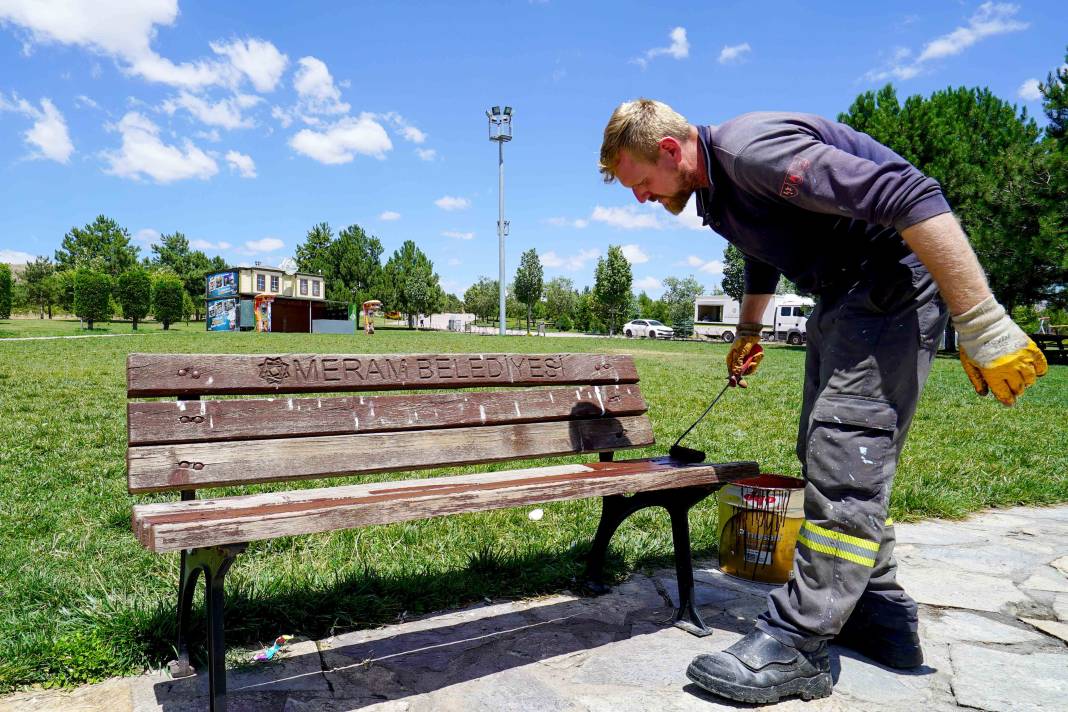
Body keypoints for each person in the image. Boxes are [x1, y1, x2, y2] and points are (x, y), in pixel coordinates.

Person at [598, 99, 1048, 704]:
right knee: (823, 450)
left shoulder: (750, 151)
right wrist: (749, 331)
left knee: (845, 460)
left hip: (888, 285)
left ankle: (797, 643)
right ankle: (876, 610)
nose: (642, 199)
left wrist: (981, 319)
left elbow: (906, 191)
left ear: (672, 151)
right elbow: (763, 250)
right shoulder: (719, 190)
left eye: (642, 182)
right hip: (845, 296)